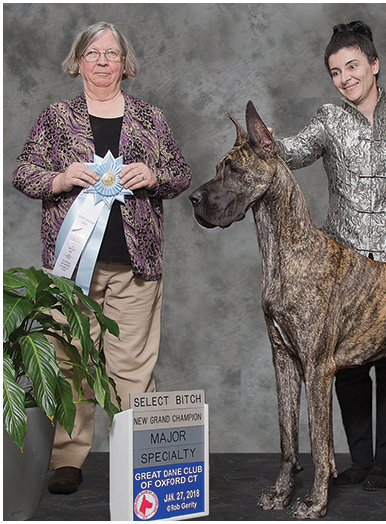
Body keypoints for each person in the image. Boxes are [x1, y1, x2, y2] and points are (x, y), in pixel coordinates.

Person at [12, 22, 191, 495]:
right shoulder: (56, 118)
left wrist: (154, 175)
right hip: (71, 268)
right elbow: (23, 174)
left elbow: (180, 173)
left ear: (124, 63)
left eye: (111, 53)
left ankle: (142, 461)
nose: (103, 61)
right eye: (93, 52)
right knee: (71, 360)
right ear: (78, 61)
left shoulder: (150, 118)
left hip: (137, 265)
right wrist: (60, 178)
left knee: (133, 368)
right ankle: (67, 459)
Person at [274, 21, 386, 490]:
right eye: (335, 71)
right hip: (343, 265)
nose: (345, 77)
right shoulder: (328, 120)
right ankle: (360, 461)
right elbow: (295, 150)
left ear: (374, 63)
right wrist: (267, 144)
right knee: (345, 366)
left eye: (352, 66)